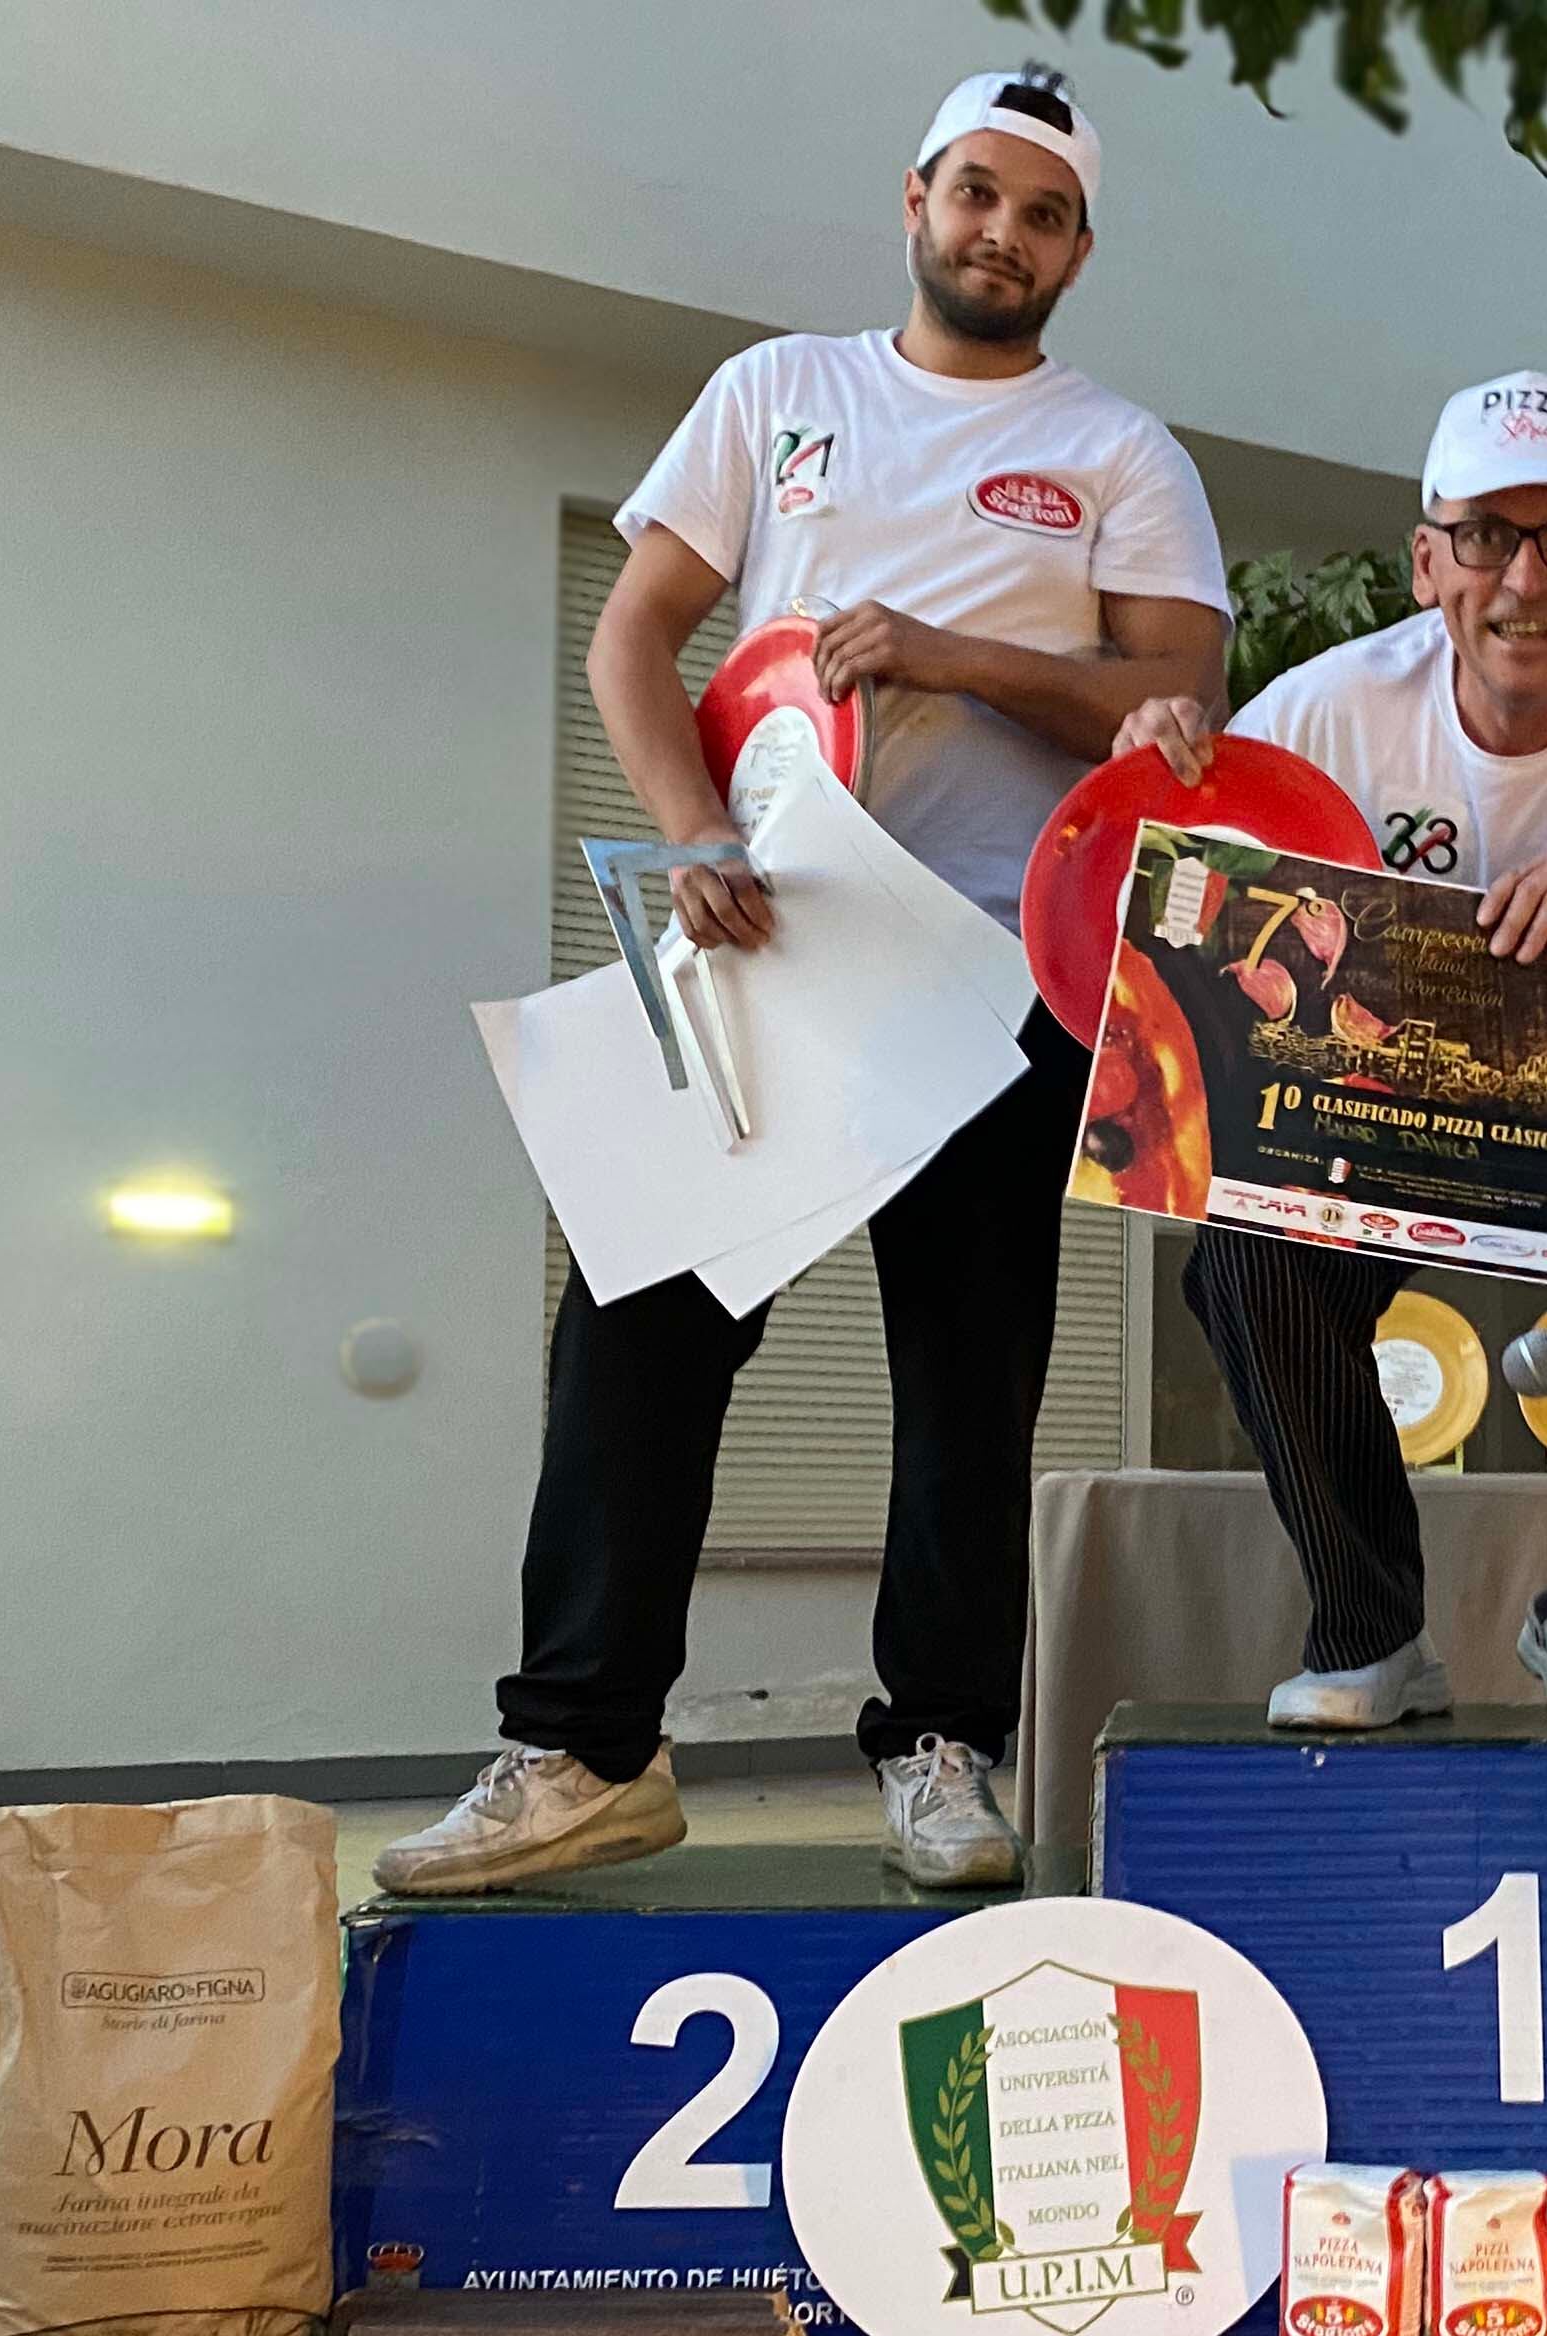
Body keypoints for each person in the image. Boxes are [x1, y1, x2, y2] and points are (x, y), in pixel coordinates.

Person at [377, 66, 1230, 1897]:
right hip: (763, 940)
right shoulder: (776, 394)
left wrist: (948, 649)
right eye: (976, 192)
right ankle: (585, 1742)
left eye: (1044, 211)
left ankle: (940, 1742)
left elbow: (1173, 706)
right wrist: (689, 835)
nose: (1002, 230)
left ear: (1078, 249)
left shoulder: (1116, 451)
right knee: (636, 1317)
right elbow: (634, 633)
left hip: (998, 967)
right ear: (915, 197)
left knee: (969, 1374)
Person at [1112, 373, 1547, 1732]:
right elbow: (1194, 933)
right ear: (1425, 562)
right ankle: (1368, 1624)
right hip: (1370, 1121)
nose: (1526, 578)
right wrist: (1155, 777)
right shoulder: (1324, 711)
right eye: (1485, 535)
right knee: (1241, 1254)